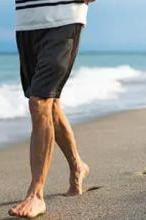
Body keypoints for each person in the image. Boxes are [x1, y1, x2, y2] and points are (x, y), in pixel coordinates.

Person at [8, 0, 96, 218]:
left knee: (39, 102)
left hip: (65, 18)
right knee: (49, 104)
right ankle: (77, 166)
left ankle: (36, 194)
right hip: (27, 23)